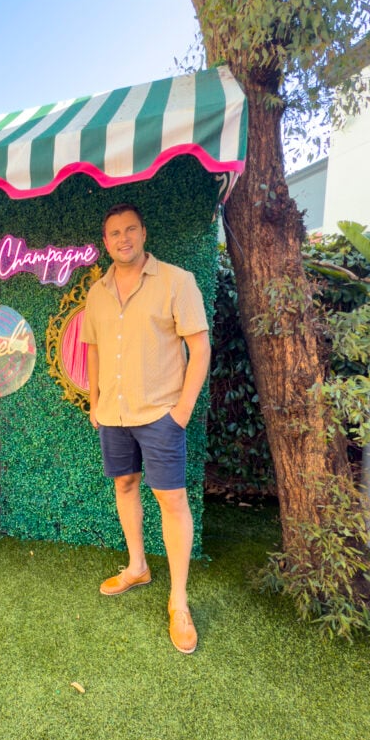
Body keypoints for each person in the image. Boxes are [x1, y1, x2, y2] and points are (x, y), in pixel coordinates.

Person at [81, 203, 211, 654]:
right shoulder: (96, 293)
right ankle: (137, 565)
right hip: (114, 413)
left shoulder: (177, 281)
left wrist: (183, 410)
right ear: (106, 241)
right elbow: (93, 349)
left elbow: (200, 347)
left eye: (130, 229)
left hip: (161, 412)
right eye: (114, 232)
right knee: (124, 485)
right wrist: (95, 401)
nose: (123, 238)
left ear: (143, 233)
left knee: (172, 500)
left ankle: (179, 601)